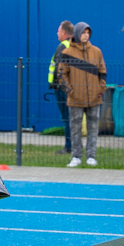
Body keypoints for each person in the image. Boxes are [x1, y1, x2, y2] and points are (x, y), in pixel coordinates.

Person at [59, 22, 107, 167]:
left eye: (88, 33)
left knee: (93, 128)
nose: (86, 35)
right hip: (75, 99)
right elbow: (62, 75)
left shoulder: (97, 52)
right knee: (75, 129)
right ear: (77, 34)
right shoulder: (67, 53)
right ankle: (76, 156)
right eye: (83, 32)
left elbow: (102, 72)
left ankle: (91, 156)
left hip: (94, 98)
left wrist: (100, 90)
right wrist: (70, 92)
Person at [48, 20, 73, 155]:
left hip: (62, 89)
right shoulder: (73, 45)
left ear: (64, 32)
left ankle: (69, 146)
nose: (57, 33)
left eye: (58, 31)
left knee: (67, 118)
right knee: (71, 118)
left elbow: (59, 68)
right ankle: (72, 145)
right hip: (69, 87)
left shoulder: (62, 46)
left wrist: (57, 85)